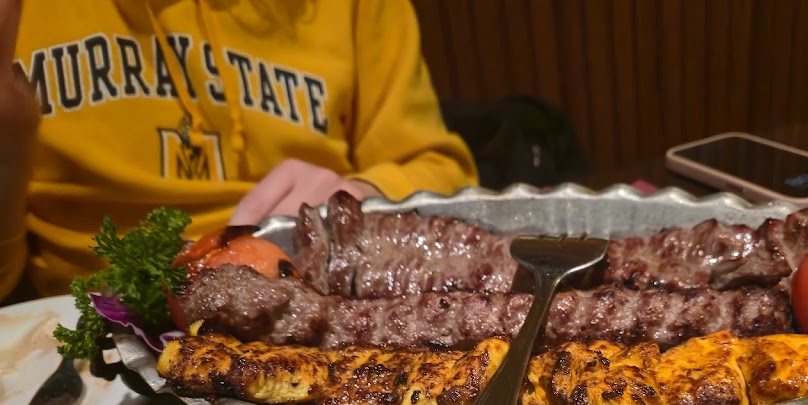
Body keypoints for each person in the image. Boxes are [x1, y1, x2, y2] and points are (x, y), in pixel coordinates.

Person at [0, 0, 478, 302]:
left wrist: (361, 194)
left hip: (314, 297)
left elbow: (445, 172)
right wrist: (8, 144)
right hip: (88, 360)